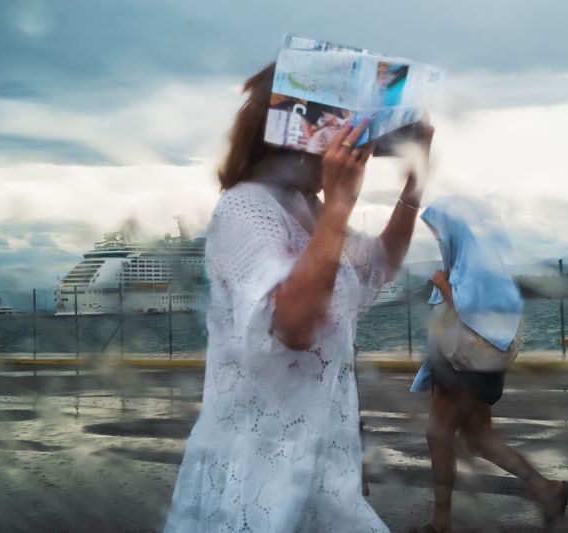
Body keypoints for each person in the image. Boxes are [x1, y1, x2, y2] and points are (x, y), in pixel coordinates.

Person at [163, 63, 433, 532]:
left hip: (322, 468)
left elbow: (379, 266)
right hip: (256, 474)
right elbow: (293, 325)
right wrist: (341, 205)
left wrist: (414, 185)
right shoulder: (246, 206)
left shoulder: (309, 209)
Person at [409, 198, 568, 533]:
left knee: (437, 435)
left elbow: (478, 313)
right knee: (479, 438)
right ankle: (547, 489)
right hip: (459, 364)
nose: (438, 239)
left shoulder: (474, 268)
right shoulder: (467, 264)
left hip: (464, 368)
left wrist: (443, 286)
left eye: (440, 232)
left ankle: (441, 523)